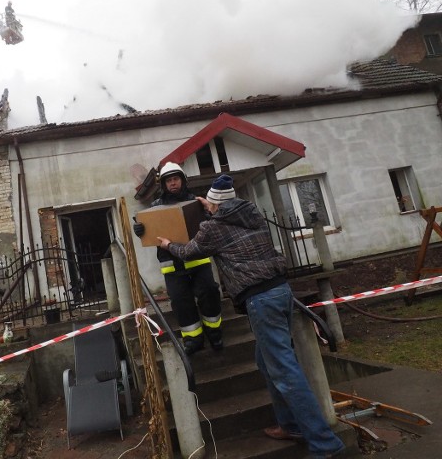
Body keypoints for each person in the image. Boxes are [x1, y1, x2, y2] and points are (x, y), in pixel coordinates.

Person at [156, 174, 346, 459]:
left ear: (215, 206)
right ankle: (290, 425)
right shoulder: (253, 214)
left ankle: (325, 443)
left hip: (260, 300)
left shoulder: (213, 229)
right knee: (266, 361)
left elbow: (187, 251)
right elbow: (228, 213)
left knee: (285, 371)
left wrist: (167, 244)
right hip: (281, 292)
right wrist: (213, 207)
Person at [133, 162, 222, 355]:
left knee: (209, 294)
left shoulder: (197, 202)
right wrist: (140, 230)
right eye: (169, 181)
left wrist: (208, 213)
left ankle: (215, 334)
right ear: (163, 185)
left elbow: (213, 227)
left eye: (176, 179)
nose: (173, 183)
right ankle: (193, 340)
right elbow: (148, 233)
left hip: (199, 261)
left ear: (183, 181)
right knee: (182, 303)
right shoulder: (155, 207)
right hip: (172, 265)